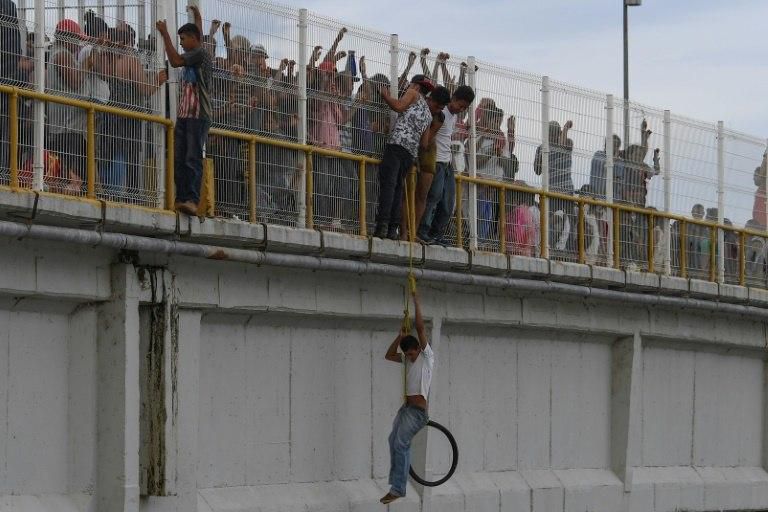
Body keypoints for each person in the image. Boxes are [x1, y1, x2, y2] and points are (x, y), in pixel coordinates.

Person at [380, 287, 433, 505]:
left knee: (401, 443)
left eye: (412, 354)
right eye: (408, 355)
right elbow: (388, 355)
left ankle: (398, 489)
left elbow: (420, 327)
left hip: (417, 413)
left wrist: (416, 302)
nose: (410, 358)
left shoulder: (426, 357)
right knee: (393, 440)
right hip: (406, 409)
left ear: (418, 350)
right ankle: (396, 484)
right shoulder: (405, 361)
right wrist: (399, 336)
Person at [156, 18, 212, 216]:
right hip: (185, 114)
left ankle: (192, 199)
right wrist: (197, 17)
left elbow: (175, 61)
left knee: (191, 157)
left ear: (194, 39)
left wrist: (165, 34)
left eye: (183, 38)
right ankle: (182, 198)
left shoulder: (200, 54)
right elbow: (196, 35)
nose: (180, 42)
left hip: (198, 115)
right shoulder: (195, 51)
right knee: (179, 157)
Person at [375, 74, 435, 239]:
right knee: (398, 188)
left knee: (388, 185)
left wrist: (386, 96)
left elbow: (399, 107)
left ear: (415, 86)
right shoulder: (429, 114)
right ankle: (393, 229)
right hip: (410, 153)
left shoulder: (413, 93)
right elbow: (424, 144)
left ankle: (382, 225)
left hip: (397, 145)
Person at [416, 84, 475, 244]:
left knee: (449, 202)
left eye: (465, 107)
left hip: (447, 162)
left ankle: (436, 233)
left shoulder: (454, 114)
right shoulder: (440, 112)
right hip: (436, 160)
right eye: (460, 105)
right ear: (453, 99)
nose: (461, 109)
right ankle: (423, 230)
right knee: (433, 196)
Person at [408, 85, 450, 240]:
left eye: (441, 108)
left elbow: (426, 141)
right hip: (410, 148)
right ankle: (404, 230)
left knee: (422, 196)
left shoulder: (439, 117)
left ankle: (415, 231)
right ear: (429, 99)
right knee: (408, 193)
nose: (437, 110)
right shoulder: (418, 104)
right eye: (436, 106)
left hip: (427, 155)